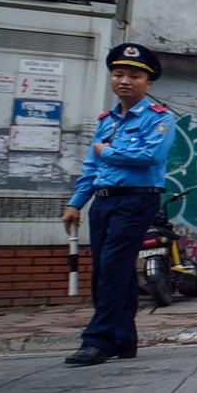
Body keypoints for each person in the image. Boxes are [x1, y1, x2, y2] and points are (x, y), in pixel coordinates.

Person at [60, 43, 178, 366]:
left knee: (112, 268)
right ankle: (123, 339)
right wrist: (75, 203)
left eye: (135, 76)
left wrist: (107, 152)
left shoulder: (160, 118)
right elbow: (91, 167)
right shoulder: (107, 121)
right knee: (110, 270)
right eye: (119, 74)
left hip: (137, 200)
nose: (125, 81)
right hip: (103, 201)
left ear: (148, 82)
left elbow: (151, 156)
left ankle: (97, 340)